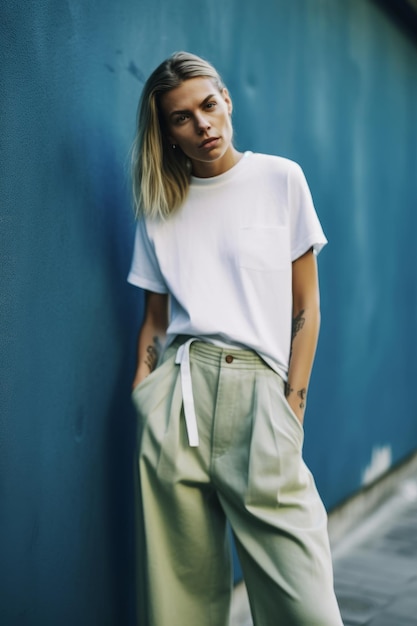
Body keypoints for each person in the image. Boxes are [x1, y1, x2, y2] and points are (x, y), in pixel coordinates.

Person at [128, 51, 343, 626]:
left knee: (307, 606)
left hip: (261, 399)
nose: (202, 124)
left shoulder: (280, 180)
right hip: (179, 401)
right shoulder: (159, 206)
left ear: (227, 100)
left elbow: (307, 305)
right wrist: (144, 394)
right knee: (181, 604)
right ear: (167, 133)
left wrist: (291, 408)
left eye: (208, 104)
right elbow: (155, 317)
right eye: (181, 118)